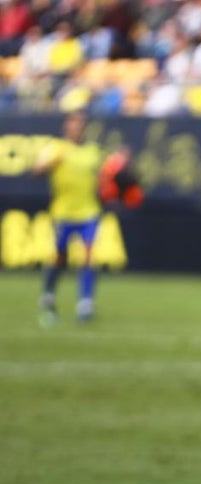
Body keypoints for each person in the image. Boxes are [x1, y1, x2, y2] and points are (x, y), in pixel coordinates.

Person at [31, 110, 103, 327]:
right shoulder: (56, 149)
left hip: (89, 211)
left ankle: (85, 303)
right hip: (63, 212)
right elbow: (36, 170)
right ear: (67, 127)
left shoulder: (93, 151)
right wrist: (46, 165)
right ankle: (49, 293)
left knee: (89, 257)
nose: (77, 129)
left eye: (80, 125)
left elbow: (102, 181)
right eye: (73, 125)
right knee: (60, 259)